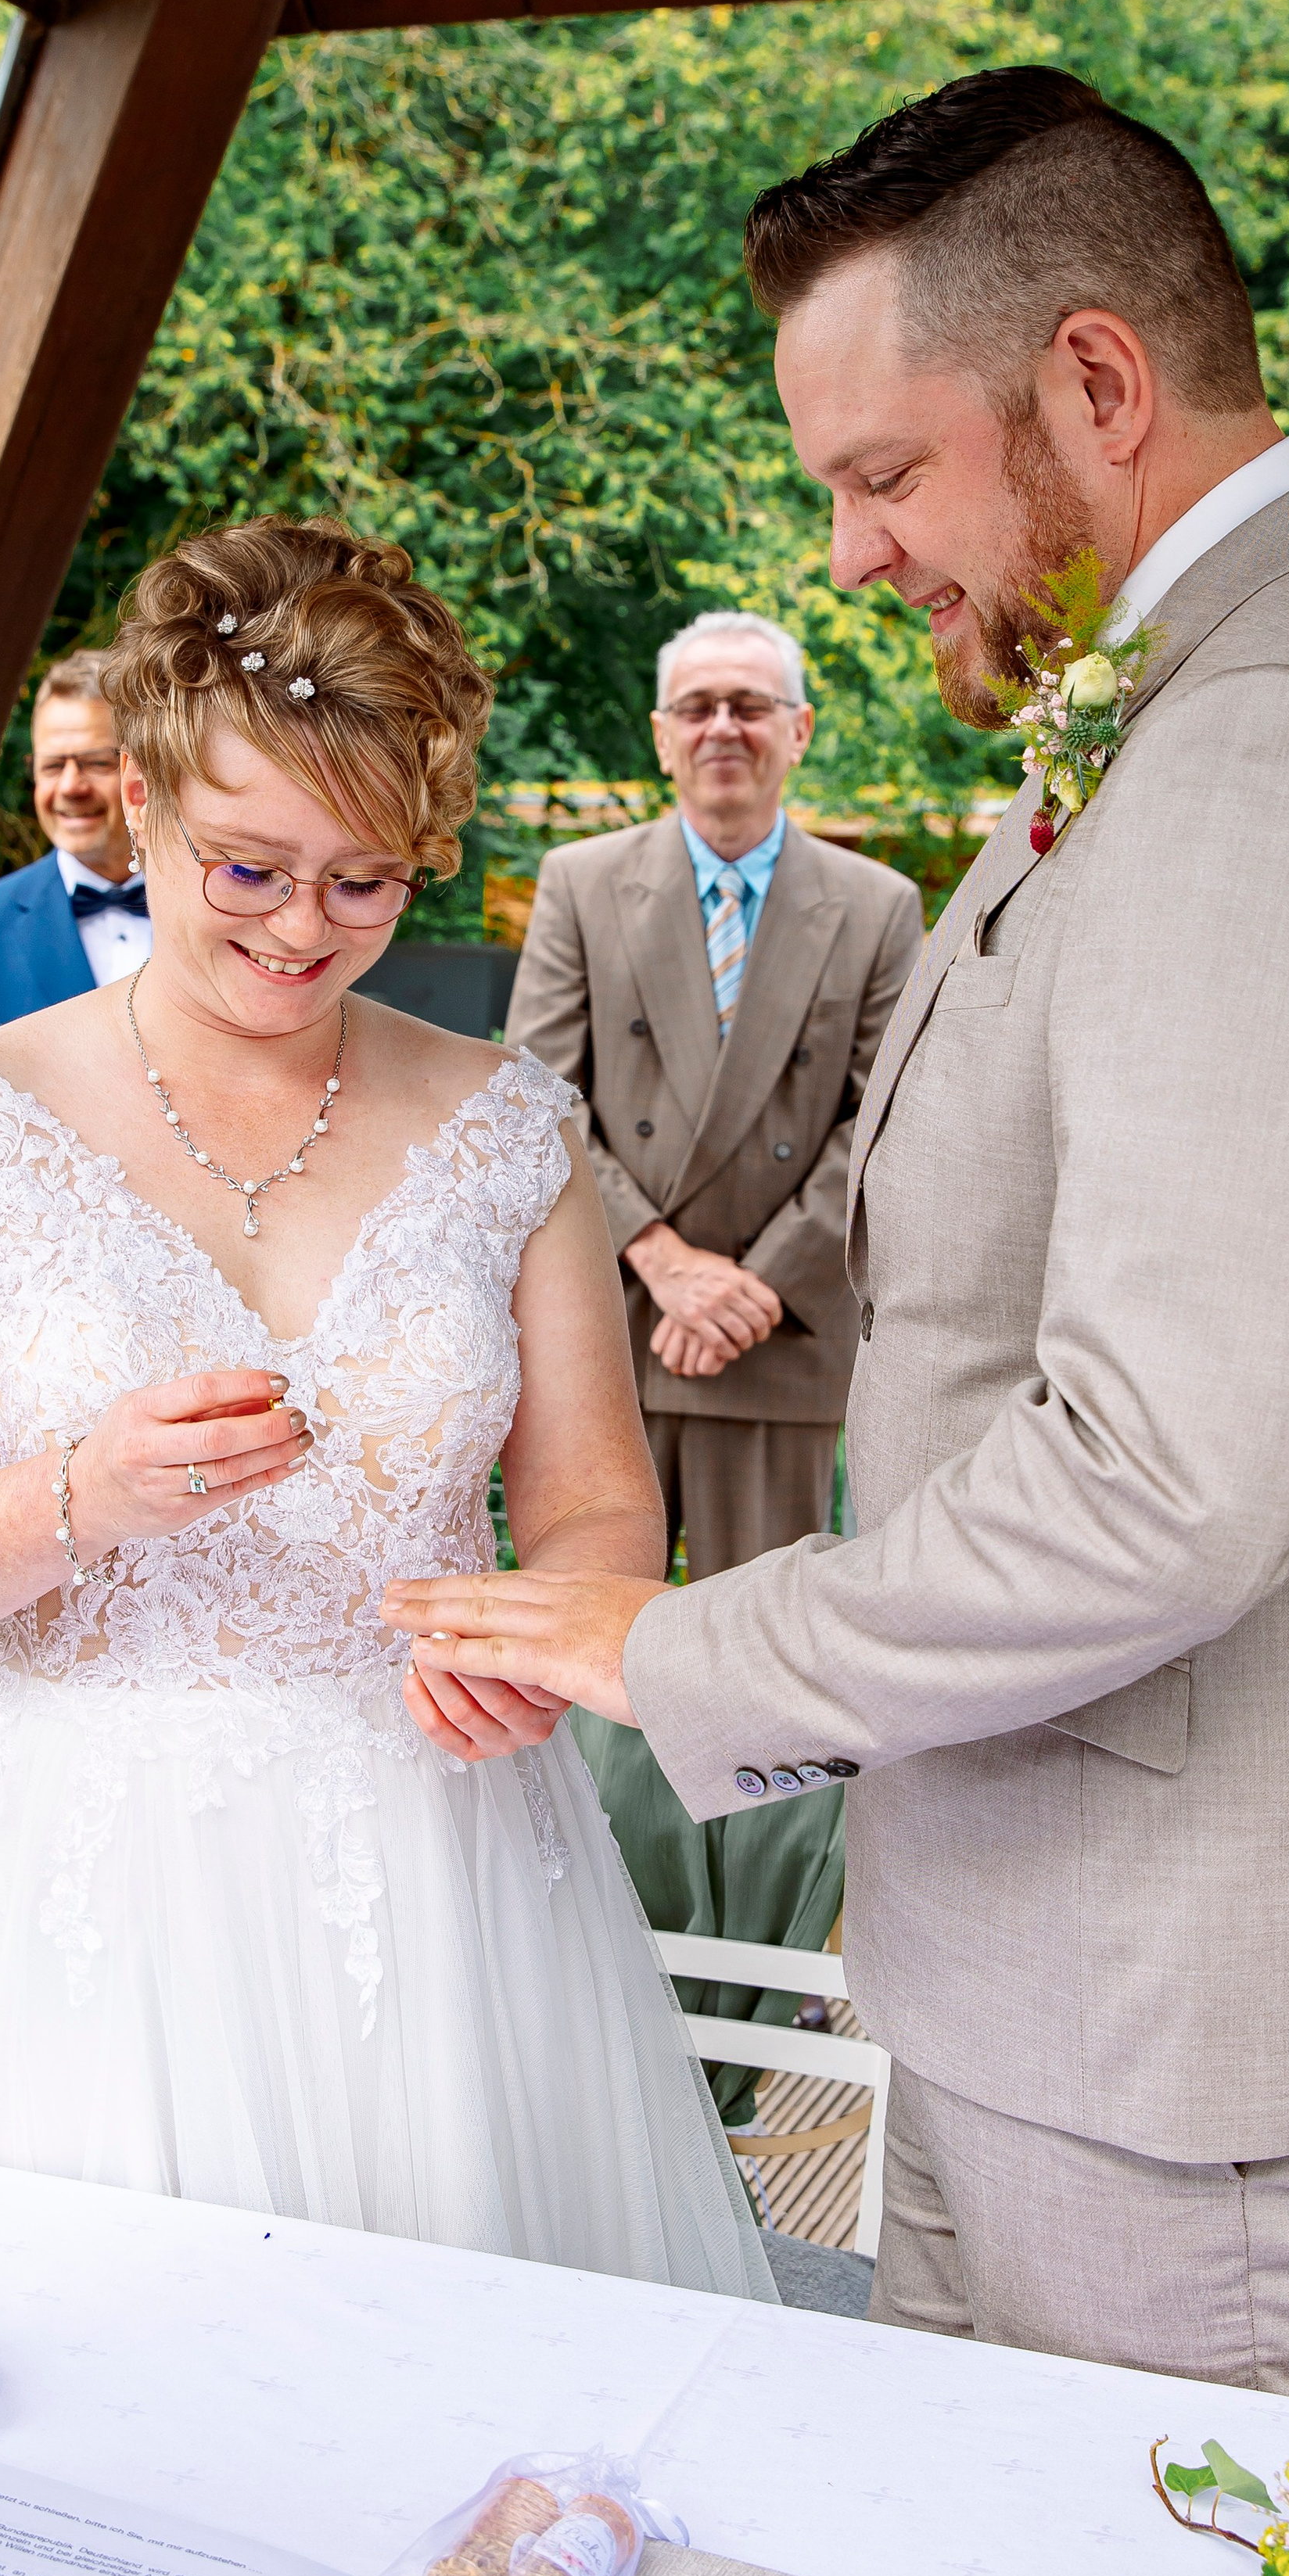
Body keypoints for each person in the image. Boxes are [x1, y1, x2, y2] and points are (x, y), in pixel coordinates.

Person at [384, 64, 1289, 2413]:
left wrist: (671, 1649)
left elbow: (1156, 1480)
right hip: (1063, 1973)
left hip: (1191, 2034)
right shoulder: (1191, 706)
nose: (851, 555)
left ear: (1093, 382)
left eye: (881, 473)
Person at [0, 515, 772, 2299]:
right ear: (138, 803)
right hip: (59, 1888)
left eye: (362, 881)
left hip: (435, 1870)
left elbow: (603, 1503)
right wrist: (71, 1495)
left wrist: (530, 1643)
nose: (303, 930)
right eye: (244, 869)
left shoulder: (507, 1127)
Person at [504, 611, 919, 2102]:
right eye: (696, 707)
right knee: (574, 1639)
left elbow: (886, 1122)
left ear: (800, 730)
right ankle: (581, 1943)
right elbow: (538, 1095)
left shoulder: (875, 906)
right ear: (661, 731)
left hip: (782, 1340)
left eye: (752, 705)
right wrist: (666, 1260)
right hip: (614, 1325)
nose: (723, 730)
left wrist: (757, 1281)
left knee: (766, 1681)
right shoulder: (579, 884)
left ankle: (758, 1990)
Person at [0, 652, 147, 1035]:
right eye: (53, 766)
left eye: (95, 762)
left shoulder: (213, 901)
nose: (71, 787)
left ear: (139, 771)